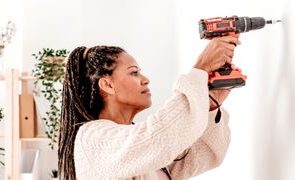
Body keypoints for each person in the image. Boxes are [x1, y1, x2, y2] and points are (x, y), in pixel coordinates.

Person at [58, 36, 240, 180]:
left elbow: (203, 155)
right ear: (108, 85)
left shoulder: (140, 151)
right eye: (134, 72)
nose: (145, 79)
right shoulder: (92, 139)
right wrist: (201, 67)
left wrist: (210, 102)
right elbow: (157, 138)